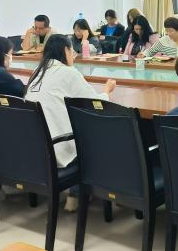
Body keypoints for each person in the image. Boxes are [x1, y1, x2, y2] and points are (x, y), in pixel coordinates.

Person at [25, 34, 116, 211]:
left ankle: (76, 194)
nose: (73, 55)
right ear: (65, 50)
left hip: (35, 147)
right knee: (98, 134)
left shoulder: (38, 71)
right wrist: (107, 91)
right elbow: (94, 104)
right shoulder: (68, 72)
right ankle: (78, 193)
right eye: (71, 51)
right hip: (57, 146)